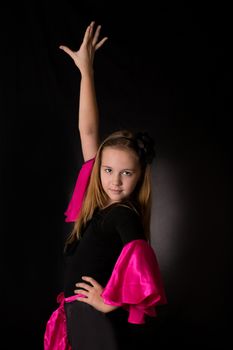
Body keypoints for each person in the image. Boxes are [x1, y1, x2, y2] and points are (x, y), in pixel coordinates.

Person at [44, 21, 167, 350]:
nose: (114, 180)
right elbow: (88, 131)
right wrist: (86, 71)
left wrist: (109, 302)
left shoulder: (124, 214)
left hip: (95, 319)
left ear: (139, 176)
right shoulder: (98, 206)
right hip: (78, 315)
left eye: (126, 173)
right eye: (108, 169)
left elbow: (141, 261)